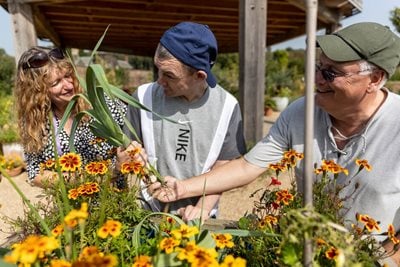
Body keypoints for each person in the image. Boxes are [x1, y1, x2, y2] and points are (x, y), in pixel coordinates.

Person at [150, 22, 400, 265]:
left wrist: (385, 261)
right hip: (308, 252)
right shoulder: (301, 112)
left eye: (331, 73)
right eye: (318, 67)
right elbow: (247, 167)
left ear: (375, 79)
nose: (317, 79)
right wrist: (181, 189)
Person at [123, 21, 246, 221]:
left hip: (199, 218)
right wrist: (129, 159)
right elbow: (127, 150)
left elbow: (224, 168)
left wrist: (202, 209)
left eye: (169, 75)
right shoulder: (143, 97)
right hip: (146, 214)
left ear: (199, 76)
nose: (159, 80)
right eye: (158, 70)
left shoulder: (227, 107)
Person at [15, 46, 127, 187]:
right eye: (56, 83)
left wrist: (126, 157)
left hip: (115, 202)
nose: (68, 85)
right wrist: (85, 182)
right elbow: (35, 172)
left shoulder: (101, 104)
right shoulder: (37, 121)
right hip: (70, 206)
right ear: (38, 91)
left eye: (68, 76)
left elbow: (134, 135)